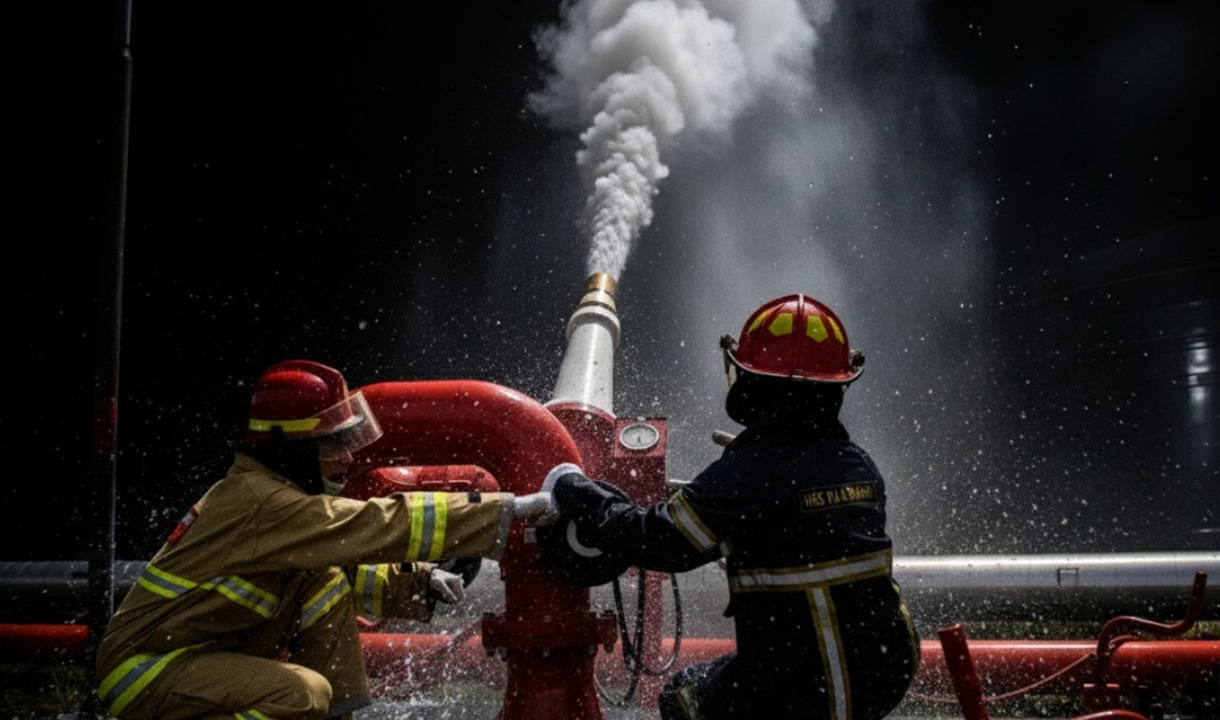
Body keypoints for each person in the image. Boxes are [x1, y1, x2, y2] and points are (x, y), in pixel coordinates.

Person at [94, 359, 557, 720]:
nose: (348, 458)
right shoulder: (259, 501)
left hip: (193, 660)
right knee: (301, 695)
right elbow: (376, 524)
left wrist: (418, 582)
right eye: (333, 443)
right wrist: (508, 509)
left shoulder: (276, 505)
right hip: (146, 671)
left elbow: (337, 572)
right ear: (289, 447)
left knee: (326, 581)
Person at [543, 294, 919, 719]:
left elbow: (659, 541)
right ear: (836, 386)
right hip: (885, 672)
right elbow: (803, 528)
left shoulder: (752, 473)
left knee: (682, 697)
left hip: (802, 684)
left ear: (751, 381)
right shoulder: (859, 465)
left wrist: (571, 488)